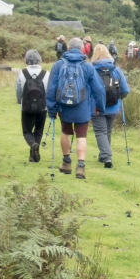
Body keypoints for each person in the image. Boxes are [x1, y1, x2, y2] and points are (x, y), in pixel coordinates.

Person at [46, 37, 106, 180]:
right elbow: (99, 89)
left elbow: (51, 89)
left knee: (66, 132)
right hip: (83, 107)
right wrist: (100, 107)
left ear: (68, 48)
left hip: (64, 107)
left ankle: (66, 163)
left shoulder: (58, 65)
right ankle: (80, 167)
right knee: (81, 136)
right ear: (81, 49)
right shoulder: (87, 66)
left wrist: (51, 109)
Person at [90, 43, 130, 168]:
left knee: (100, 132)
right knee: (107, 131)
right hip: (113, 107)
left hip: (96, 107)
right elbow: (125, 90)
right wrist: (119, 98)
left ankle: (107, 157)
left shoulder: (91, 69)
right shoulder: (115, 69)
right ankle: (103, 156)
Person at [15, 49, 50, 162]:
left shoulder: (22, 72)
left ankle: (32, 145)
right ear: (39, 59)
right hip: (42, 107)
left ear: (27, 59)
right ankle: (33, 154)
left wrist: (20, 101)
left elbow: (18, 89)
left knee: (27, 131)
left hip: (27, 106)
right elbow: (49, 90)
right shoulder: (46, 74)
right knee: (38, 131)